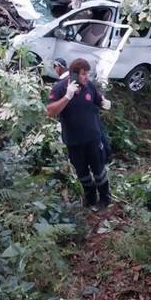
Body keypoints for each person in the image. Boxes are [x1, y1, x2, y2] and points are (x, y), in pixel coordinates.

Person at [47, 58, 112, 210]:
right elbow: (50, 111)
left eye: (87, 73)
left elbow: (98, 99)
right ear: (74, 75)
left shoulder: (89, 86)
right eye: (83, 74)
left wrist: (104, 102)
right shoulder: (59, 89)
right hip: (74, 140)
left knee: (99, 169)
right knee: (82, 172)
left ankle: (104, 198)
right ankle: (90, 198)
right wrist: (67, 97)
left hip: (93, 138)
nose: (86, 77)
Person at [54, 56, 112, 163]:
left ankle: (103, 161)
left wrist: (102, 101)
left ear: (58, 67)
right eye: (84, 74)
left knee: (98, 144)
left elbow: (96, 96)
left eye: (55, 67)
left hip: (89, 122)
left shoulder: (65, 81)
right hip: (83, 125)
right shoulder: (64, 83)